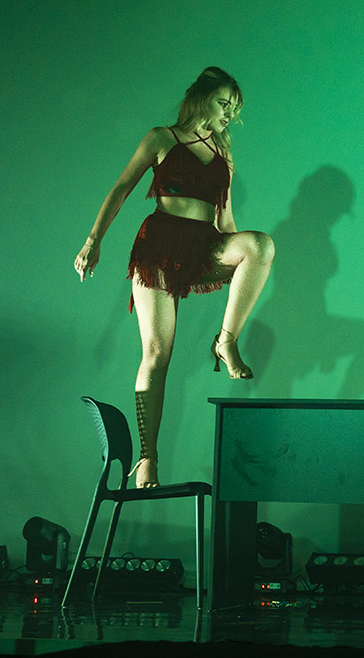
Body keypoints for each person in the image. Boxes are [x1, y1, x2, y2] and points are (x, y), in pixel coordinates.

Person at [74, 67, 275, 489]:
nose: (229, 114)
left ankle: (226, 341)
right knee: (156, 353)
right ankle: (147, 457)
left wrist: (239, 260)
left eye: (234, 109)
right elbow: (121, 189)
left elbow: (225, 220)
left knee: (260, 245)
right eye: (223, 104)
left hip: (204, 244)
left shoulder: (224, 154)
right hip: (160, 246)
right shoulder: (161, 138)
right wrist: (93, 241)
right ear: (201, 99)